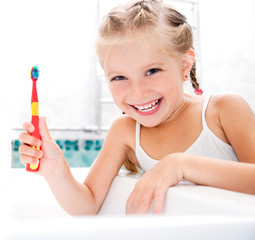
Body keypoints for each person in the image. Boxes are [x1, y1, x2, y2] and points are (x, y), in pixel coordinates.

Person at [19, 0, 255, 215]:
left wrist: (179, 164)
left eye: (151, 71)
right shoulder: (125, 131)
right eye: (119, 77)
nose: (137, 92)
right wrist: (56, 170)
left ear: (185, 65)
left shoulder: (222, 110)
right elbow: (87, 206)